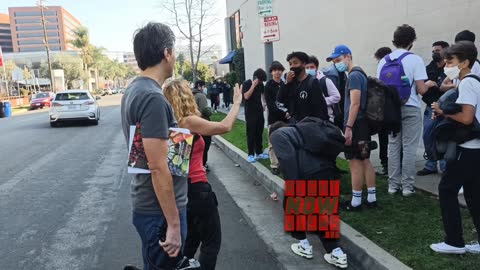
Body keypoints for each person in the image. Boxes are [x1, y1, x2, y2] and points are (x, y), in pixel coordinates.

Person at [121, 22, 191, 270]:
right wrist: (173, 225)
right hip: (159, 212)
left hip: (151, 208)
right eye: (174, 51)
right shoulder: (152, 98)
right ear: (166, 53)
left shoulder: (135, 89)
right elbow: (158, 167)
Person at [163, 78, 243, 269]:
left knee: (192, 239)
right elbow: (225, 127)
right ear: (185, 97)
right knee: (211, 242)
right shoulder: (188, 122)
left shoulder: (171, 123)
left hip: (183, 190)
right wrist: (237, 102)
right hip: (198, 189)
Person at [270, 121, 348, 268]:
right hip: (327, 172)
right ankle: (337, 253)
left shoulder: (277, 134)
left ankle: (303, 245)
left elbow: (287, 160)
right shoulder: (303, 131)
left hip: (308, 175)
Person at [430, 41, 480, 255]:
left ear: (465, 62)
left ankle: (454, 242)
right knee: (473, 194)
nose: (446, 65)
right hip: (475, 148)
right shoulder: (474, 81)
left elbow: (467, 118)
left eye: (451, 61)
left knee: (447, 189)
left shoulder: (468, 83)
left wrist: (443, 113)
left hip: (466, 148)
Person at [377, 24, 428, 197]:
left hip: (390, 110)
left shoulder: (384, 60)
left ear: (394, 40)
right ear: (412, 41)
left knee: (393, 146)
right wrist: (429, 84)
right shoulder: (415, 59)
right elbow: (421, 90)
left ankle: (393, 185)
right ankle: (407, 187)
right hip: (410, 106)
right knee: (409, 148)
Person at [327, 44, 377, 211]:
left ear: (348, 56)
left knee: (355, 161)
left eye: (339, 60)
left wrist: (348, 127)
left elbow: (355, 103)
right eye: (334, 61)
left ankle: (356, 201)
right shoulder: (359, 73)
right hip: (362, 124)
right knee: (365, 159)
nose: (337, 64)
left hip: (356, 124)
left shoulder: (354, 76)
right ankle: (371, 197)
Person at [416, 41, 449, 176]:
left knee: (444, 137)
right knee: (428, 136)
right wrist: (431, 86)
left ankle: (445, 166)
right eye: (433, 51)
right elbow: (423, 90)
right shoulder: (428, 68)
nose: (435, 53)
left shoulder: (450, 68)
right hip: (431, 108)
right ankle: (430, 164)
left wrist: (439, 86)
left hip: (446, 109)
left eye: (438, 50)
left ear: (446, 51)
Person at [277, 51, 329, 123]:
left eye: (295, 63)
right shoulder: (289, 83)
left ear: (304, 64)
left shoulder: (312, 82)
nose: (292, 66)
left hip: (309, 125)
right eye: (290, 64)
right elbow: (279, 102)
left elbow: (320, 108)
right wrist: (286, 83)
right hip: (294, 125)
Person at [264, 61, 289, 175]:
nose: (277, 72)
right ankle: (274, 165)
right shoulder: (268, 86)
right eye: (275, 70)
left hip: (286, 120)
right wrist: (284, 113)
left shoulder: (285, 84)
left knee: (285, 142)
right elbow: (271, 105)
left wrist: (288, 113)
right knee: (272, 143)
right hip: (274, 119)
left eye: (279, 70)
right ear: (271, 72)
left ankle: (285, 163)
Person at [242, 68, 269, 163]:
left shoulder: (261, 84)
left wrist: (264, 103)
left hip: (259, 111)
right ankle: (250, 154)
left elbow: (263, 94)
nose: (261, 82)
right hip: (250, 112)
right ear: (255, 78)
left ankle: (259, 152)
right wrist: (253, 85)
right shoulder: (247, 83)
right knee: (251, 133)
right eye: (260, 80)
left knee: (259, 132)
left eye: (262, 81)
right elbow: (246, 96)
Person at [374, 47, 393, 175]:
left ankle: (385, 163)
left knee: (384, 138)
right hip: (392, 108)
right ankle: (388, 163)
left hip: (384, 109)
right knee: (391, 138)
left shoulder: (384, 69)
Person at [305, 55, 341, 123]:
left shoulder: (325, 81)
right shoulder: (303, 82)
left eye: (312, 67)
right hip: (309, 120)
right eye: (307, 67)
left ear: (317, 68)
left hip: (326, 119)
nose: (309, 69)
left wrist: (321, 101)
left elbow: (337, 97)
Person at [193, 80, 212, 171]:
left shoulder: (190, 95)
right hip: (202, 124)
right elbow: (205, 110)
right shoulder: (201, 96)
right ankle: (203, 164)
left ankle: (197, 164)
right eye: (204, 86)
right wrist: (210, 110)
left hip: (192, 124)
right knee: (205, 145)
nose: (205, 88)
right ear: (200, 86)